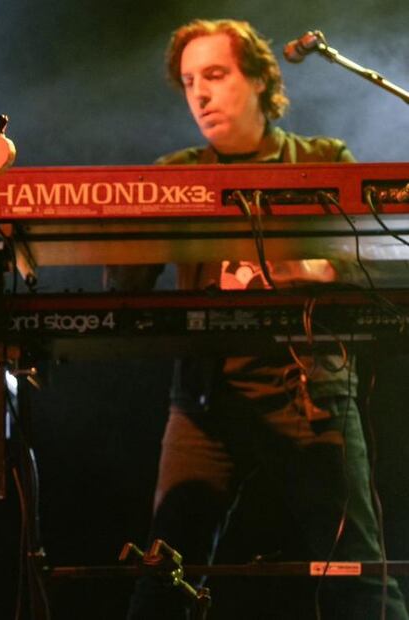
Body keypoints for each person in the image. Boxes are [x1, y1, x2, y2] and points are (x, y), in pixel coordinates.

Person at [111, 19, 409, 619]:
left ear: (259, 81)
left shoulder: (322, 160)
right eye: (189, 81)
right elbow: (122, 288)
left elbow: (382, 263)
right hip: (204, 402)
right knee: (163, 578)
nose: (200, 94)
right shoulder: (176, 172)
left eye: (215, 75)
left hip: (311, 392)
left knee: (356, 575)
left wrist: (320, 268)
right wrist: (129, 213)